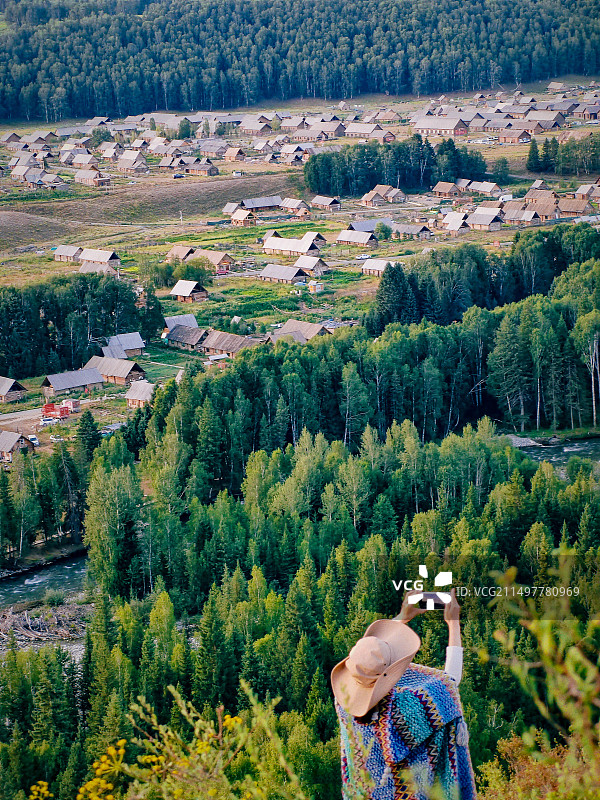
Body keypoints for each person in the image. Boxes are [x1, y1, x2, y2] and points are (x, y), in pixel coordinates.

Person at [331, 588, 476, 800]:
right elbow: (450, 683)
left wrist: (402, 618)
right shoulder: (404, 710)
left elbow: (369, 662)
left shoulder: (344, 701)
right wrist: (453, 624)